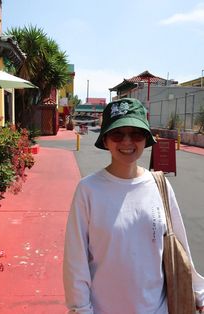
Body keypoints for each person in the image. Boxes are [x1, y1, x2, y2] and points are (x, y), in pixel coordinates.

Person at [63, 98, 204, 314]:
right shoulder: (88, 190)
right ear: (106, 140)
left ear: (146, 139)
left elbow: (180, 246)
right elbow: (76, 260)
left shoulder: (160, 185)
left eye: (136, 134)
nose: (127, 142)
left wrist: (197, 291)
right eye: (117, 134)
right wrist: (80, 309)